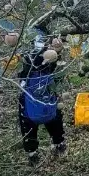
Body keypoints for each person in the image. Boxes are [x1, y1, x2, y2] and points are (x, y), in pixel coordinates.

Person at [18, 31, 66, 163]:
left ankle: (32, 153)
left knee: (27, 124)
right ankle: (59, 143)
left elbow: (20, 76)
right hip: (49, 94)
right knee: (54, 117)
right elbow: (59, 74)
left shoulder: (26, 59)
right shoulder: (51, 59)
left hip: (28, 97)